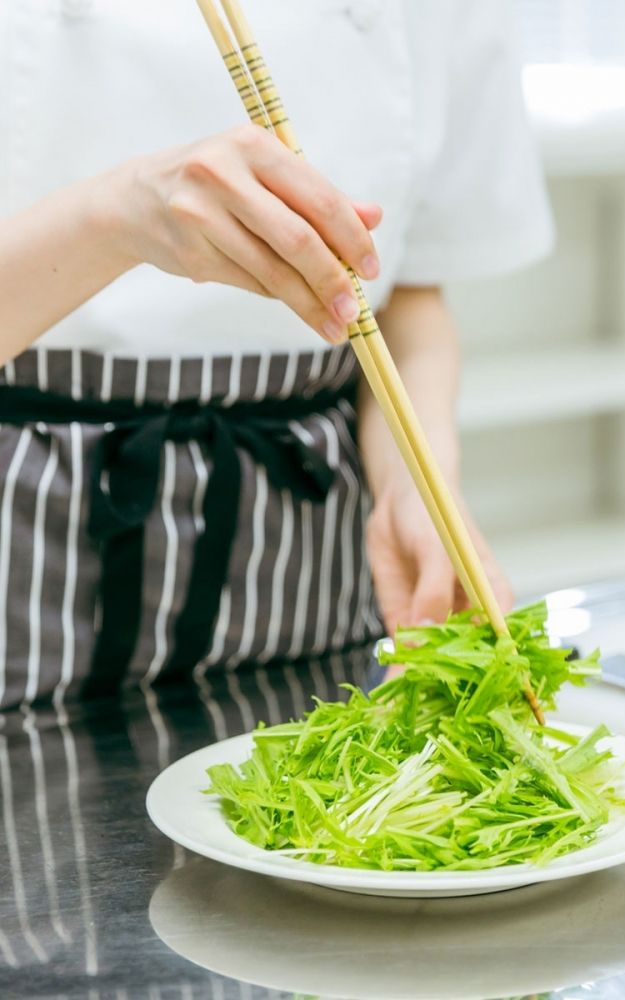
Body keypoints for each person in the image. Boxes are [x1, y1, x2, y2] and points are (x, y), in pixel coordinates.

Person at [0, 0, 552, 710]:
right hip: (29, 535)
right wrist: (115, 217)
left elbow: (408, 304)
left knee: (322, 784)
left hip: (311, 556)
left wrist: (418, 481)